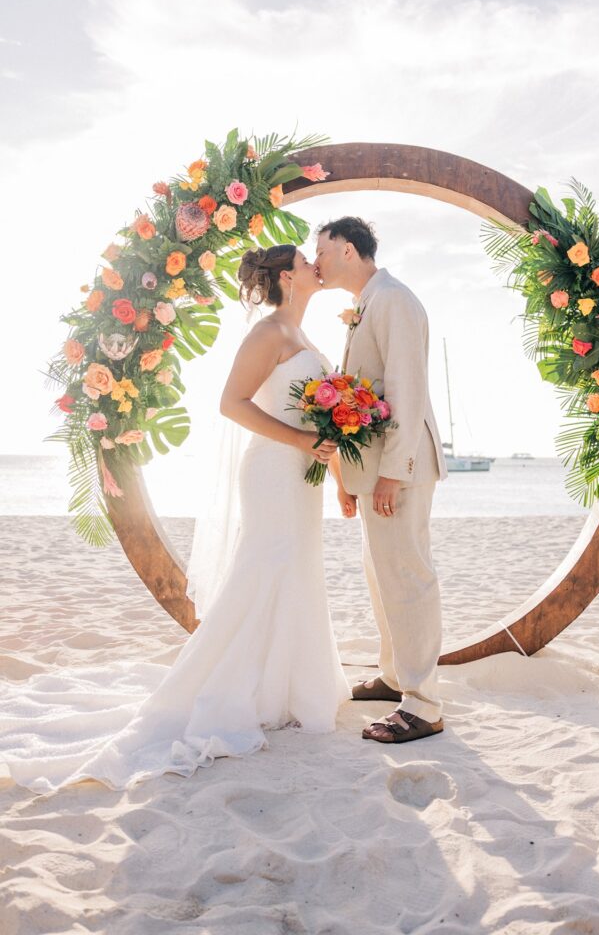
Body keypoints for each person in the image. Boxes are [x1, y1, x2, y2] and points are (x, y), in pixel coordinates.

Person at [0, 244, 351, 795]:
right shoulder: (268, 334)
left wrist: (336, 475)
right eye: (307, 261)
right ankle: (232, 689)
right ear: (287, 276)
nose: (315, 265)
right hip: (271, 472)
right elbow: (232, 404)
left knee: (299, 572)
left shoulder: (305, 336)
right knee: (263, 570)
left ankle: (286, 690)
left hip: (302, 477)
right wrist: (304, 440)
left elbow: (319, 419)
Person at [314, 217, 448, 744]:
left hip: (402, 468)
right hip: (377, 471)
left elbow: (407, 392)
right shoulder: (371, 301)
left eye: (320, 250)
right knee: (382, 574)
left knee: (408, 579)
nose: (315, 260)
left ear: (348, 250)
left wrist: (393, 473)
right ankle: (396, 678)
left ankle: (423, 705)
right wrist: (351, 477)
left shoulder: (392, 300)